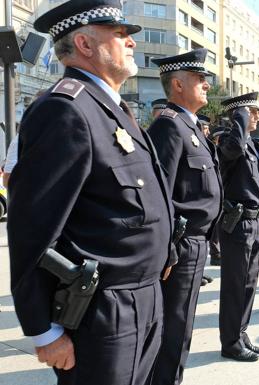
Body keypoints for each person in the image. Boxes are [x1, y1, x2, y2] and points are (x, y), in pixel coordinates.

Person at [9, 1, 174, 384]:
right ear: (84, 43)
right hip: (105, 310)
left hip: (145, 297)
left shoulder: (113, 109)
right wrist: (43, 331)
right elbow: (30, 229)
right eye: (119, 35)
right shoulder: (65, 110)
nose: (130, 42)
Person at [147, 49, 223, 384]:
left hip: (196, 242)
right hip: (180, 247)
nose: (206, 85)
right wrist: (170, 249)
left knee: (182, 327)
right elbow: (158, 195)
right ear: (177, 84)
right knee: (174, 329)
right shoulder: (169, 127)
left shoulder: (188, 127)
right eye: (199, 79)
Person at [216, 92, 259, 361]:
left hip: (254, 221)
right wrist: (239, 117)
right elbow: (233, 148)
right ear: (239, 114)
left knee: (248, 283)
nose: (257, 116)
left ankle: (241, 332)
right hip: (237, 225)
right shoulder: (228, 140)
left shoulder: (252, 144)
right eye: (252, 112)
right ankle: (230, 341)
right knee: (235, 284)